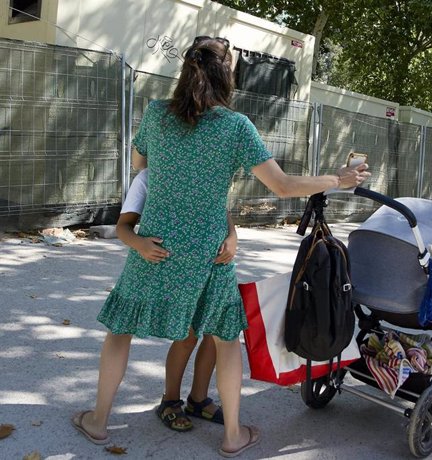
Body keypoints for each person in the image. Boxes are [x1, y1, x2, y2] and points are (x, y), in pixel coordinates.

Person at [71, 36, 370, 457]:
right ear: (226, 73)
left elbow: (142, 166)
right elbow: (283, 185)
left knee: (121, 331)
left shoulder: (156, 114)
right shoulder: (236, 128)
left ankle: (98, 422)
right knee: (226, 339)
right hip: (210, 250)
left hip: (154, 243)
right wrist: (336, 181)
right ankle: (232, 436)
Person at [116, 168, 226, 432]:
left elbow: (224, 213)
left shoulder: (207, 172)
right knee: (187, 336)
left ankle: (198, 400)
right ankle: (170, 401)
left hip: (212, 266)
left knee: (215, 334)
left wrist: (231, 238)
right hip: (175, 270)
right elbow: (123, 227)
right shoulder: (147, 177)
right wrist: (140, 244)